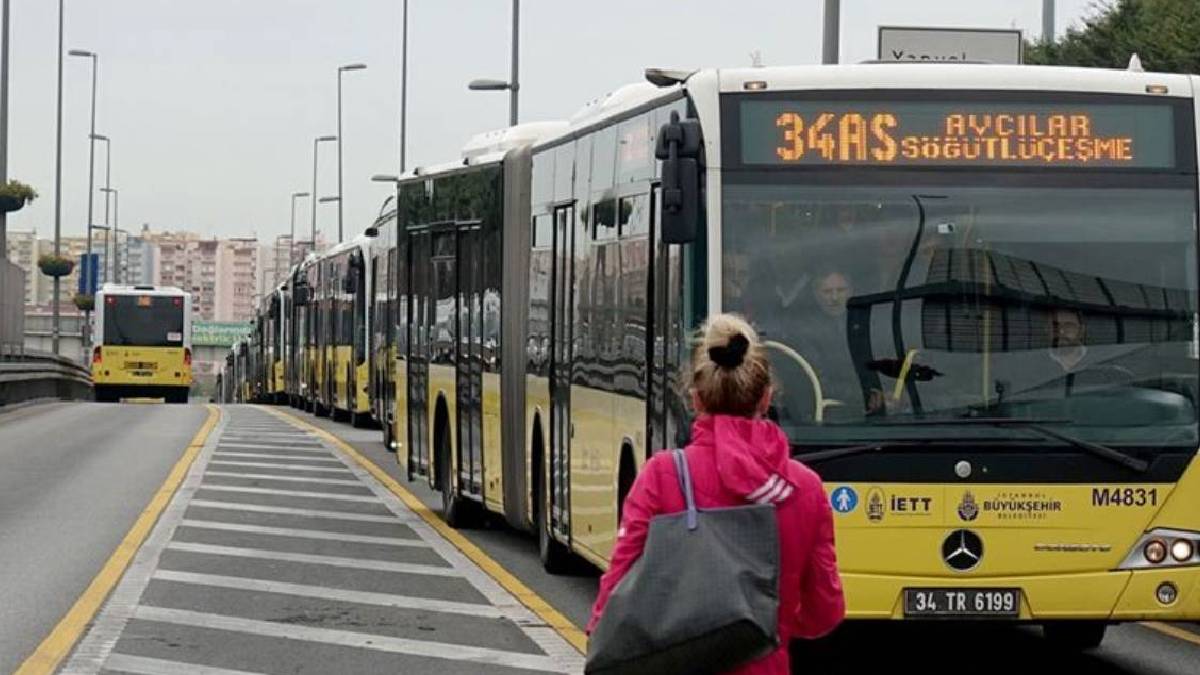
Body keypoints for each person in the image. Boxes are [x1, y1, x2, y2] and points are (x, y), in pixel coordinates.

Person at [588, 313, 845, 674]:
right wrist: (765, 623)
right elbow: (824, 612)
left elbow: (616, 587)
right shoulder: (805, 488)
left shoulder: (662, 475)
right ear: (767, 397)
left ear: (695, 399)